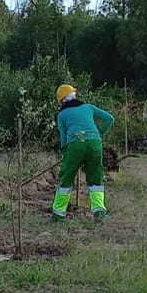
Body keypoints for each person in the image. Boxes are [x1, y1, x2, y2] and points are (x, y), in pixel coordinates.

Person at [52, 83, 113, 222]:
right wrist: (99, 133)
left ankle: (58, 215)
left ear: (62, 101)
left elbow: (63, 138)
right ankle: (99, 213)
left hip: (75, 144)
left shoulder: (62, 114)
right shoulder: (88, 107)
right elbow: (110, 118)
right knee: (95, 180)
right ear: (74, 95)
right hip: (95, 143)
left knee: (66, 180)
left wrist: (65, 153)